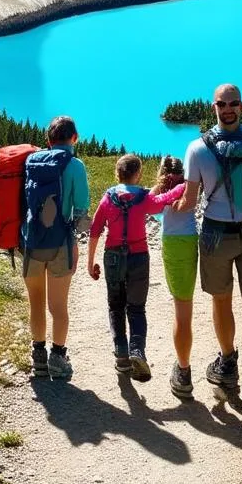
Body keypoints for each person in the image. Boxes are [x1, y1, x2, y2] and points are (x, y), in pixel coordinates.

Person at [179, 83, 242, 417]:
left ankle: (228, 361)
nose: (227, 108)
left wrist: (150, 201)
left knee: (221, 300)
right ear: (215, 107)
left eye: (232, 103)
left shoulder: (197, 149)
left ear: (240, 106)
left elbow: (189, 202)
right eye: (223, 104)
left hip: (215, 233)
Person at [87, 154, 185, 382]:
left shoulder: (108, 198)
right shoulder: (143, 197)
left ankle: (121, 355)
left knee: (115, 306)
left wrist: (90, 261)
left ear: (117, 173)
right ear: (138, 174)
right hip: (138, 256)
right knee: (137, 308)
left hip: (112, 257)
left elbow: (95, 229)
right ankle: (137, 351)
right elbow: (165, 200)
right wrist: (186, 185)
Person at [22, 115, 90, 382]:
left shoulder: (31, 161)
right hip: (61, 243)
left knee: (35, 303)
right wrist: (77, 241)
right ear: (75, 138)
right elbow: (82, 212)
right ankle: (58, 358)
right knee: (58, 306)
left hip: (32, 241)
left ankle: (38, 358)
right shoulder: (75, 165)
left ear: (48, 140)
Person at [155, 155, 198, 399]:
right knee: (186, 304)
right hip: (191, 240)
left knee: (181, 310)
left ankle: (183, 372)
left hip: (172, 244)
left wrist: (162, 185)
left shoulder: (163, 189)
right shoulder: (190, 185)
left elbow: (150, 203)